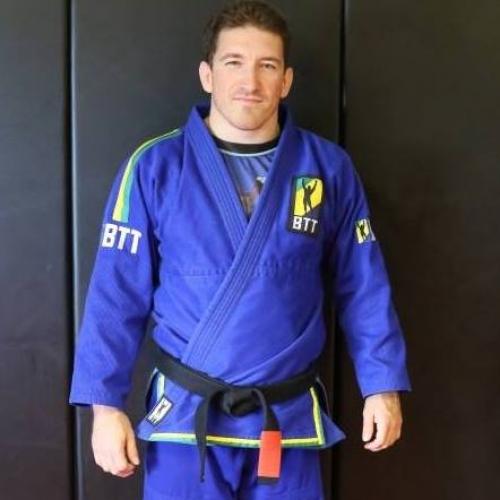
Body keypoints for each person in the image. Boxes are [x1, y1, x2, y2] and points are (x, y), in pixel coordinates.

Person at [69, 1, 412, 498]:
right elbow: (115, 294)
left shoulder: (326, 168)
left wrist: (382, 385)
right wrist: (105, 407)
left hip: (286, 418)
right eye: (234, 62)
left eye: (267, 65)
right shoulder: (155, 166)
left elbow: (364, 286)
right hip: (186, 417)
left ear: (286, 80)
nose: (250, 81)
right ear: (207, 75)